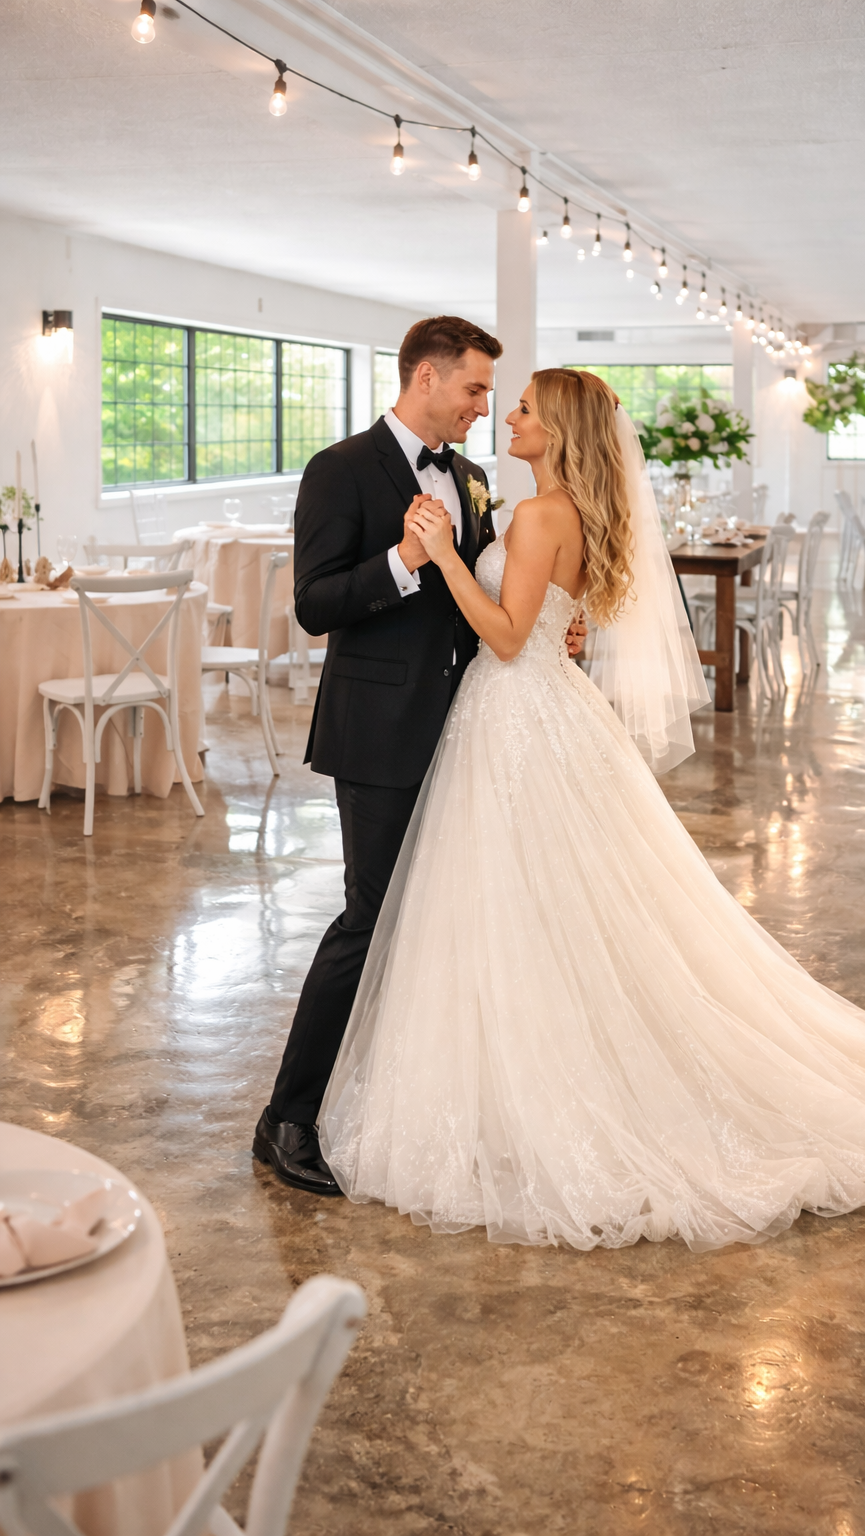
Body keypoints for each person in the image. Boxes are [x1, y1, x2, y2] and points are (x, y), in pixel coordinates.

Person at [317, 368, 865, 1251]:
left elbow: (506, 634)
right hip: (533, 711)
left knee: (516, 905)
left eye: (524, 406)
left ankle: (530, 1090)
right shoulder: (553, 509)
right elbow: (552, 618)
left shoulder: (535, 515)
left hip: (516, 712)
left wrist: (442, 554)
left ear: (556, 429)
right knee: (547, 907)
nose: (510, 417)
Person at [254, 317, 585, 1193]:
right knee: (368, 920)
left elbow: (482, 594)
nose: (485, 407)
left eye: (491, 395)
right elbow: (316, 605)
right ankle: (286, 1120)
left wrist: (555, 622)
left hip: (471, 729)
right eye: (476, 389)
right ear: (428, 377)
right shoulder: (341, 469)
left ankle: (410, 1103)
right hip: (379, 730)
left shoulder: (474, 479)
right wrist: (403, 558)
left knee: (442, 921)